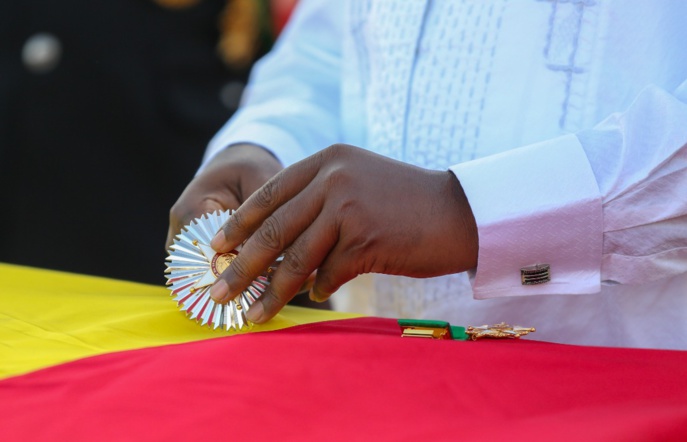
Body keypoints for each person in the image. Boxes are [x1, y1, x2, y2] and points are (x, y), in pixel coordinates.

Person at [169, 0, 687, 349]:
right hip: (368, 369)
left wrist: (469, 214)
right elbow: (329, 50)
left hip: (622, 389)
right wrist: (267, 146)